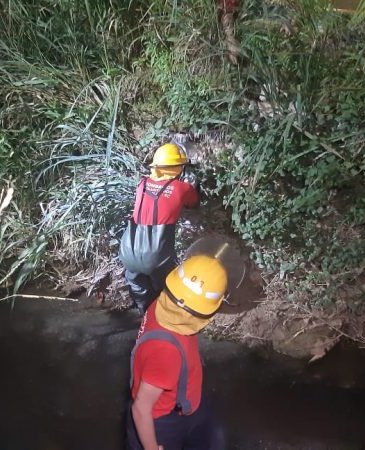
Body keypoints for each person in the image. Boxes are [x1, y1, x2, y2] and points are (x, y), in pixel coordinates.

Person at [126, 254, 227, 450]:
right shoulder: (166, 352)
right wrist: (151, 448)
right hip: (161, 421)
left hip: (188, 399)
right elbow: (140, 409)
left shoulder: (166, 302)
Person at [119, 142, 199, 314]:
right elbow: (193, 203)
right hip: (156, 255)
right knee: (166, 283)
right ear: (178, 168)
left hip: (128, 250)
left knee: (136, 282)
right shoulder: (181, 188)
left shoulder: (142, 184)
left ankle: (142, 309)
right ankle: (162, 312)